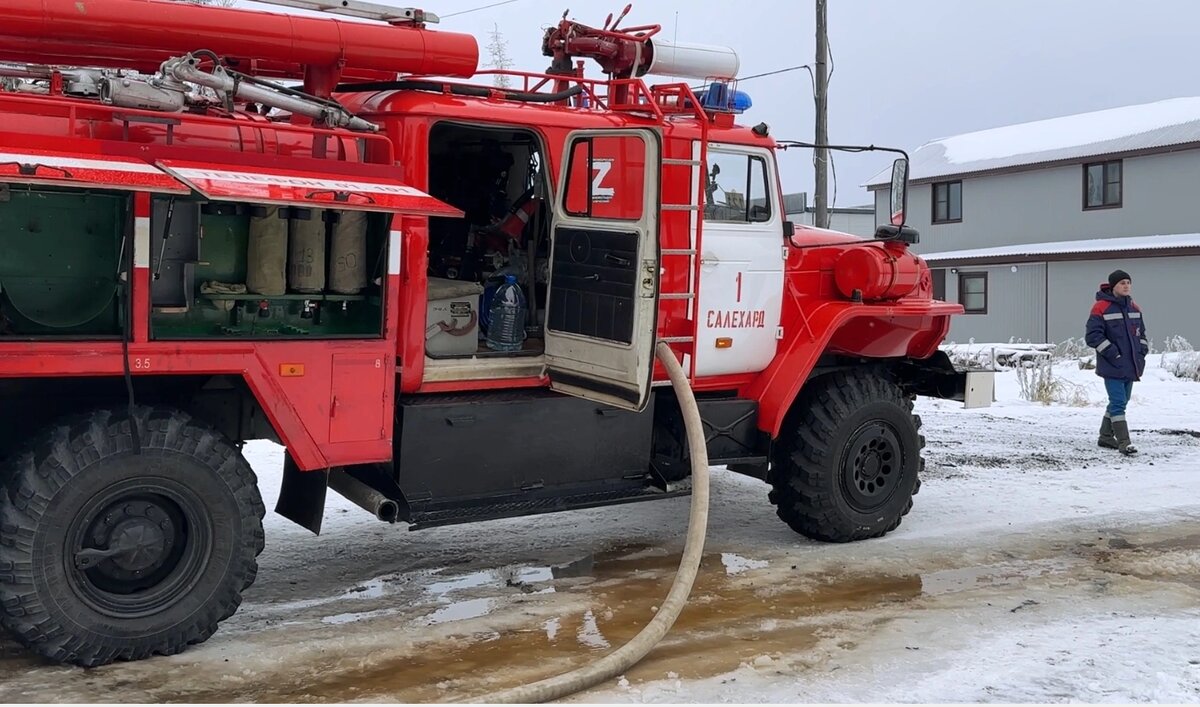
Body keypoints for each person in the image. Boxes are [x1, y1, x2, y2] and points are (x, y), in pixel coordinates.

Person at [1085, 269, 1149, 455]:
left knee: (1122, 401)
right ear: (1113, 286)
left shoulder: (1134, 308)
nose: (1126, 286)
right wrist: (1113, 353)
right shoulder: (1101, 307)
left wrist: (1142, 350)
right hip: (1112, 365)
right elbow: (1092, 336)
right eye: (1122, 283)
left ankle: (1105, 436)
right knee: (1118, 402)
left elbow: (1142, 334)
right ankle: (1124, 442)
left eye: (1128, 282)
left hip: (1132, 365)